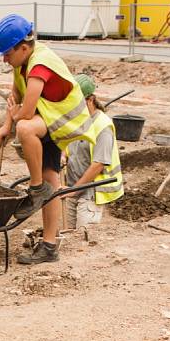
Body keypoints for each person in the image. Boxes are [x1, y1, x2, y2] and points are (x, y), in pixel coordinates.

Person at [0, 14, 97, 265]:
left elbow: (25, 114)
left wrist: (16, 118)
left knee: (26, 130)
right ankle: (50, 245)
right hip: (48, 119)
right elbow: (16, 92)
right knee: (52, 179)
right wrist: (6, 124)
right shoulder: (21, 62)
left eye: (7, 54)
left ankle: (36, 189)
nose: (5, 59)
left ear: (24, 47)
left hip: (65, 120)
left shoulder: (40, 64)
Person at [64, 74, 124, 234]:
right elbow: (68, 147)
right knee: (69, 237)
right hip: (72, 186)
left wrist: (74, 190)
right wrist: (63, 156)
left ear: (90, 100)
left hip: (91, 192)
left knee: (82, 238)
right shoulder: (77, 119)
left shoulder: (103, 125)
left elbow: (98, 164)